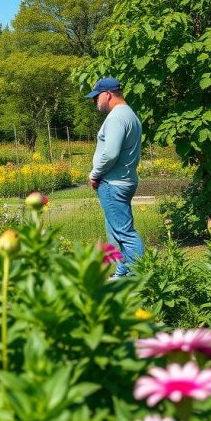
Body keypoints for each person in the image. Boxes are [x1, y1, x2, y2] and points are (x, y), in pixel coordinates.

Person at [86, 77, 144, 278]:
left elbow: (110, 153)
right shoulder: (130, 115)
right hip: (124, 180)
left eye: (96, 98)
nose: (95, 102)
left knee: (125, 233)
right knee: (114, 231)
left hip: (114, 182)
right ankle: (122, 272)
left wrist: (94, 173)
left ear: (108, 94)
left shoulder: (116, 118)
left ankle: (138, 276)